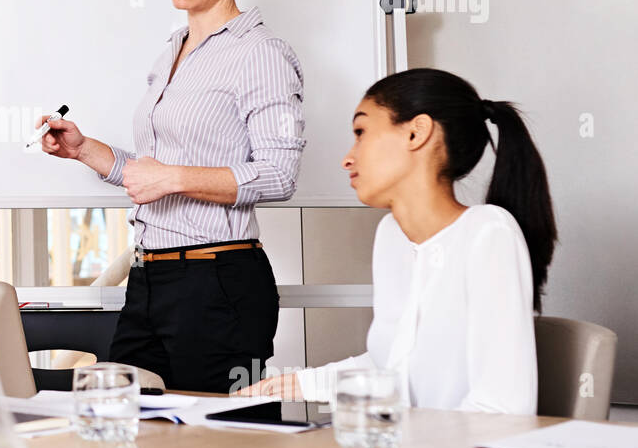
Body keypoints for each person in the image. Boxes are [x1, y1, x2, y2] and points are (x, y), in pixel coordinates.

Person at [39, 0, 305, 393]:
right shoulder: (172, 51)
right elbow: (150, 172)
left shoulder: (261, 53)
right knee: (125, 426)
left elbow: (279, 174)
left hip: (219, 280)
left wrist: (173, 177)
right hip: (149, 280)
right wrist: (84, 150)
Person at [237, 68, 557, 414]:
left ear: (416, 133)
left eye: (361, 132)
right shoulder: (391, 235)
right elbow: (394, 365)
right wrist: (299, 383)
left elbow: (502, 409)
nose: (348, 157)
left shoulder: (489, 233)